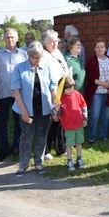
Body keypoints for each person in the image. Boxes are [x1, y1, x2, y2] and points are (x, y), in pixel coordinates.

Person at [11, 41, 58, 177]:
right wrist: (24, 112)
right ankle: (23, 164)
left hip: (44, 108)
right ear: (29, 56)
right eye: (35, 58)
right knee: (26, 136)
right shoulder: (20, 68)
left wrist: (55, 106)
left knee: (42, 136)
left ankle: (38, 162)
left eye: (40, 57)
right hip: (26, 108)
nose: (38, 60)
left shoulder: (47, 67)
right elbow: (16, 91)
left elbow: (52, 88)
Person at [0, 28, 28, 162]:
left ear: (17, 38)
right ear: (3, 39)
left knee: (19, 123)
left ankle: (16, 147)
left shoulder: (24, 54)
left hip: (19, 94)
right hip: (3, 93)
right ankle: (3, 149)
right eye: (7, 37)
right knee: (2, 123)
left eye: (12, 37)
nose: (10, 40)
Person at [84, 38, 109, 144]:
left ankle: (103, 136)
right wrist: (102, 83)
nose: (100, 49)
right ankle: (91, 137)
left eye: (102, 47)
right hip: (97, 93)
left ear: (105, 48)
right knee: (95, 115)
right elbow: (89, 77)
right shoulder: (92, 61)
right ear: (94, 49)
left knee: (106, 116)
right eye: (97, 47)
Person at [41, 29, 69, 158]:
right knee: (50, 121)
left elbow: (64, 68)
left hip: (61, 89)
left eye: (56, 41)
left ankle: (60, 148)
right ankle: (46, 149)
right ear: (45, 42)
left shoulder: (58, 52)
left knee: (60, 119)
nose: (55, 44)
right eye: (52, 41)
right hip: (49, 91)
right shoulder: (43, 54)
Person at [54, 76, 88, 171]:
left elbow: (83, 106)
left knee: (79, 142)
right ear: (62, 89)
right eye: (68, 89)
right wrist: (57, 110)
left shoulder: (77, 94)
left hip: (79, 124)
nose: (71, 90)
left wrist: (85, 118)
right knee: (69, 145)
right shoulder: (60, 99)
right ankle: (69, 160)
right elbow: (57, 116)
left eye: (72, 87)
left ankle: (79, 159)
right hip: (68, 126)